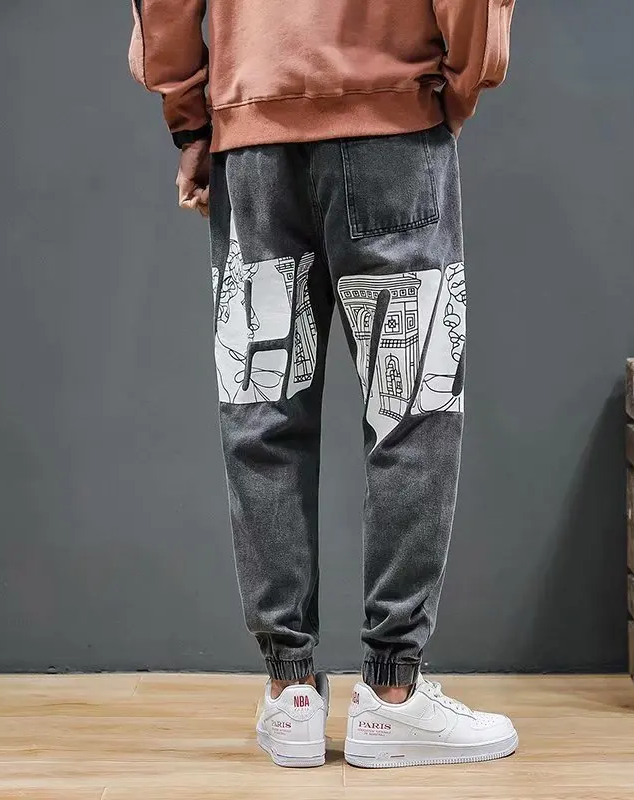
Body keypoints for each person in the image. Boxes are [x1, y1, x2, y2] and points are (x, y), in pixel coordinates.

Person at [129, 0, 518, 769]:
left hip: (252, 140)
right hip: (393, 126)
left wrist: (193, 122)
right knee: (412, 408)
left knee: (263, 410)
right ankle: (393, 695)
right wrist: (459, 88)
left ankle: (291, 693)